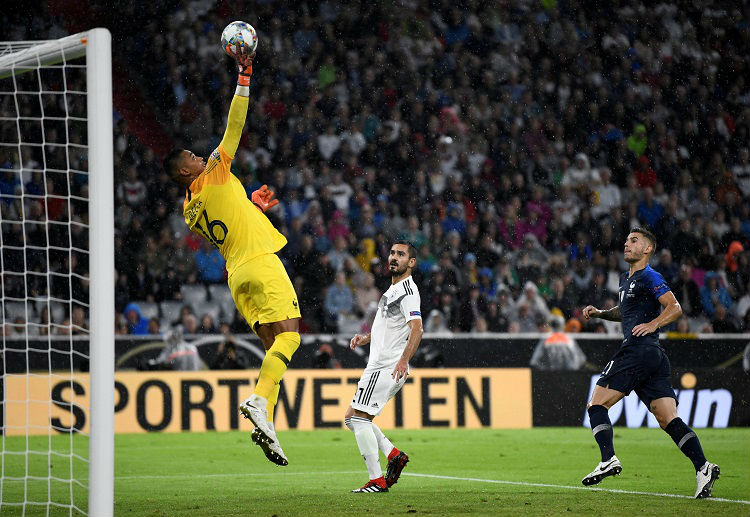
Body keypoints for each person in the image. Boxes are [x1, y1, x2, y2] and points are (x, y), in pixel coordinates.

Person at [163, 48, 299, 466]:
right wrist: (244, 76)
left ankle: (268, 422)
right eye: (190, 157)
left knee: (272, 347)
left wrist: (252, 205)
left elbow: (229, 217)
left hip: (237, 274)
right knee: (292, 336)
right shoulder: (214, 173)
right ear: (186, 172)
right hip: (259, 259)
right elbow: (234, 127)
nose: (197, 156)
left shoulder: (190, 208)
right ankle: (260, 403)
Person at [581, 228, 720, 498]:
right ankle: (703, 467)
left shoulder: (650, 276)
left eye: (634, 241)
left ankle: (608, 458)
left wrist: (654, 323)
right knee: (668, 419)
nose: (626, 244)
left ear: (647, 249)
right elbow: (624, 312)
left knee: (596, 404)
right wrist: (600, 314)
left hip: (637, 350)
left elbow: (675, 307)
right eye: (626, 240)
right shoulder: (626, 279)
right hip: (654, 357)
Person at [345, 241, 423, 493]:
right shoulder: (392, 290)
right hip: (381, 364)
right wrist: (366, 338)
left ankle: (376, 479)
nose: (394, 258)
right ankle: (394, 455)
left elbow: (417, 329)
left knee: (358, 419)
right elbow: (390, 326)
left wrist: (403, 360)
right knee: (352, 418)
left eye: (401, 254)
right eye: (392, 253)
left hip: (386, 366)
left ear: (411, 262)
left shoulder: (408, 292)